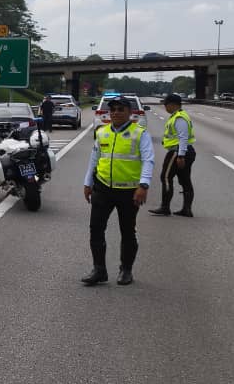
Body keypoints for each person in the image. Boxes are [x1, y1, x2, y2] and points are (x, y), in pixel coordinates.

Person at [81, 95, 155, 286]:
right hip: (102, 188)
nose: (115, 113)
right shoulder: (102, 132)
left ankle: (126, 270)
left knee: (127, 231)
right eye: (112, 109)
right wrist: (88, 183)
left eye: (120, 109)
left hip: (129, 191)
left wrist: (143, 185)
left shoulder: (140, 133)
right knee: (95, 230)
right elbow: (94, 159)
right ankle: (99, 270)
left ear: (130, 113)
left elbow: (148, 159)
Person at [148, 93, 197, 217]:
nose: (165, 107)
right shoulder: (178, 116)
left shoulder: (179, 118)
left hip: (178, 151)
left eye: (166, 104)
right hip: (184, 150)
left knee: (165, 177)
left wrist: (180, 156)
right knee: (185, 179)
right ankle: (186, 210)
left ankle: (165, 207)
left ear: (173, 104)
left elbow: (183, 137)